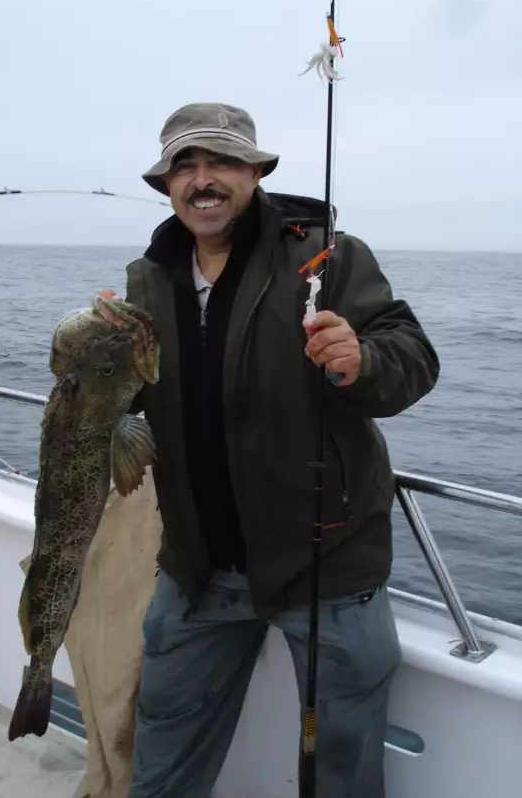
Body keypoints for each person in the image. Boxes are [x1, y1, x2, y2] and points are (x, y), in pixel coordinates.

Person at [104, 102, 440, 798]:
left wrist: (361, 359)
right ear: (165, 183)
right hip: (197, 568)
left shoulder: (328, 255)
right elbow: (131, 410)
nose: (203, 179)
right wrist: (97, 371)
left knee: (341, 772)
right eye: (185, 165)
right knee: (161, 756)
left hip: (329, 567)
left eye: (222, 161)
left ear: (255, 172)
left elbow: (414, 356)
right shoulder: (148, 279)